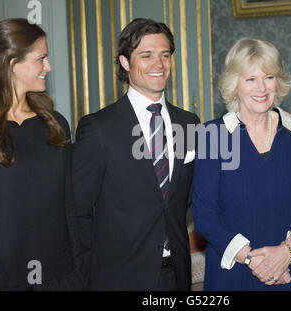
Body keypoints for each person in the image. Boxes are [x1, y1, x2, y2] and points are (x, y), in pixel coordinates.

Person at [72, 18, 200, 290]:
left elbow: (188, 197)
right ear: (125, 62)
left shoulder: (189, 123)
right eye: (147, 55)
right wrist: (85, 275)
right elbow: (78, 212)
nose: (159, 64)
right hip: (118, 277)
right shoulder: (98, 129)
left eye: (165, 55)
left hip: (176, 275)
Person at [192, 37, 291, 290]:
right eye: (250, 79)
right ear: (235, 84)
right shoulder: (214, 136)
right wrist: (257, 261)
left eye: (268, 77)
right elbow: (204, 214)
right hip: (234, 275)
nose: (261, 88)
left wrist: (287, 252)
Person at [0, 18, 83, 290]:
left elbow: (68, 208)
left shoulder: (55, 124)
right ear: (12, 64)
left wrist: (78, 272)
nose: (48, 67)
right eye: (41, 59)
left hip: (59, 277)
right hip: (0, 281)